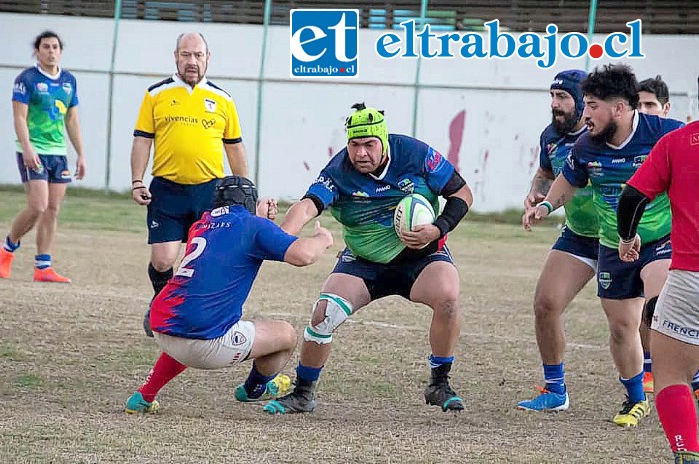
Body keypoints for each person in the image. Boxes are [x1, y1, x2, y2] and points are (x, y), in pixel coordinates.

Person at [262, 103, 473, 415]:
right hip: (363, 260)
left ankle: (439, 383)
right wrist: (280, 239)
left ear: (384, 141)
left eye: (369, 145)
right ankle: (303, 393)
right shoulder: (339, 170)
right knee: (324, 314)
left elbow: (463, 194)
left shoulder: (415, 155)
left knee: (448, 297)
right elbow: (308, 205)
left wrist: (437, 229)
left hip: (421, 255)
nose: (360, 153)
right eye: (354, 145)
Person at [523, 64, 683, 427]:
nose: (586, 112)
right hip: (611, 242)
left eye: (592, 105)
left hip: (659, 239)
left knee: (659, 311)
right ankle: (634, 398)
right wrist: (546, 205)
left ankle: (687, 379)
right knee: (621, 327)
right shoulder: (585, 144)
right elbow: (566, 179)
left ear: (620, 108)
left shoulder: (665, 134)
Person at [124, 175, 334, 413]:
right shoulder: (251, 226)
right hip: (205, 343)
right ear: (250, 201)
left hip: (162, 325)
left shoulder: (200, 225)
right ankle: (254, 389)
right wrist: (322, 240)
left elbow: (248, 240)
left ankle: (144, 395)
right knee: (286, 335)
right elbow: (303, 255)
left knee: (187, 329)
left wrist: (259, 219)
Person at [130, 32, 249, 337]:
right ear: (176, 57)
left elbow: (234, 146)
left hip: (209, 192)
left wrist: (246, 191)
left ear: (208, 58)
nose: (192, 61)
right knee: (163, 259)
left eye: (198, 55)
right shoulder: (156, 94)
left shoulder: (223, 99)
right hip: (167, 190)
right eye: (186, 55)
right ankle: (160, 301)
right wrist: (136, 180)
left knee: (205, 260)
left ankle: (195, 315)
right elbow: (142, 140)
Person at [616, 113, 699, 464]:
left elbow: (631, 198)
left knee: (670, 375)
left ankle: (688, 454)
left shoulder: (678, 141)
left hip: (691, 278)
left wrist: (626, 237)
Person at [517, 70, 599, 412]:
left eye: (562, 97)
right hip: (578, 237)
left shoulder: (605, 135)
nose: (555, 104)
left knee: (641, 319)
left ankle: (692, 380)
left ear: (583, 102)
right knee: (545, 304)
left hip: (625, 238)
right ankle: (555, 391)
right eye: (552, 96)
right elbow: (547, 173)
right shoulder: (550, 136)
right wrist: (535, 194)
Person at [0, 31, 86, 283]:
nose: (51, 51)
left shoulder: (69, 80)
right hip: (34, 149)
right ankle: (7, 249)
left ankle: (43, 267)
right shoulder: (26, 79)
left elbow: (72, 119)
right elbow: (19, 117)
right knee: (37, 205)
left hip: (58, 153)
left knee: (51, 209)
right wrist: (27, 147)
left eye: (55, 47)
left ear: (60, 50)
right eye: (46, 47)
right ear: (37, 51)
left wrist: (81, 154)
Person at [635, 74, 671, 394]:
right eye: (639, 105)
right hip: (623, 240)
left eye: (650, 105)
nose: (644, 111)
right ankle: (646, 366)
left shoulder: (674, 139)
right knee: (629, 317)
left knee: (657, 304)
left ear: (666, 108)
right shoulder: (622, 140)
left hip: (666, 238)